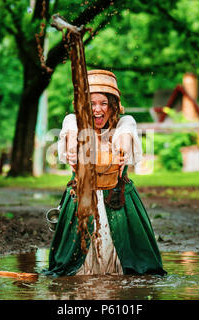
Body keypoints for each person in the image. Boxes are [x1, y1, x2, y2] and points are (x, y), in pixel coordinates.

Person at [45, 70, 166, 276]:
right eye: (91, 103)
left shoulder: (125, 122)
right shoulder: (72, 121)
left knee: (135, 270)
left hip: (118, 199)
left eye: (103, 103)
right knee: (69, 271)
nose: (97, 109)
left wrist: (121, 153)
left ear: (113, 105)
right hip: (81, 200)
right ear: (83, 105)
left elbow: (124, 141)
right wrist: (74, 151)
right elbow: (73, 140)